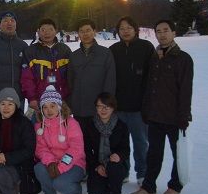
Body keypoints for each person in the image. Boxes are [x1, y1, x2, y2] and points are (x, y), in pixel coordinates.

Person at [130, 19, 194, 194]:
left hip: (174, 116)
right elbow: (149, 86)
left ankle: (175, 185)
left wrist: (184, 115)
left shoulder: (182, 59)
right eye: (158, 31)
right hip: (155, 115)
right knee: (154, 153)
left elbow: (185, 89)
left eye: (166, 30)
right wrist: (146, 108)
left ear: (174, 33)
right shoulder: (155, 58)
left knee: (177, 153)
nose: (162, 34)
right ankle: (149, 186)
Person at [109, 16, 155, 185]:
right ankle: (123, 170)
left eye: (129, 27)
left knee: (140, 142)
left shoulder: (146, 48)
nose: (125, 31)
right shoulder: (114, 49)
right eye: (122, 28)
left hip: (138, 107)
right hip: (119, 107)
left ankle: (142, 173)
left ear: (135, 29)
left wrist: (148, 102)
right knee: (120, 143)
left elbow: (152, 77)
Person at [67, 18, 116, 150]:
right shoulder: (74, 56)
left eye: (88, 30)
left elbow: (110, 80)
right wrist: (71, 103)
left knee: (99, 144)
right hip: (79, 109)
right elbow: (70, 82)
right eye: (81, 31)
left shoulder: (105, 53)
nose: (85, 34)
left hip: (98, 109)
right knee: (81, 144)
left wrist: (106, 104)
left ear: (94, 32)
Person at [34, 85, 85, 194]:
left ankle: (77, 193)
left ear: (59, 106)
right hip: (53, 161)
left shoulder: (71, 123)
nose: (49, 110)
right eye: (45, 107)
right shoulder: (40, 126)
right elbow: (41, 148)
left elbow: (76, 149)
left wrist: (61, 167)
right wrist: (50, 162)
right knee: (39, 168)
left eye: (52, 106)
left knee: (59, 184)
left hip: (74, 163)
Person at [86, 92, 130, 194]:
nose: (103, 110)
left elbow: (126, 149)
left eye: (107, 107)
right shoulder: (90, 126)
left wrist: (119, 155)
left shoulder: (121, 126)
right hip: (98, 164)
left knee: (113, 165)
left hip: (116, 166)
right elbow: (87, 150)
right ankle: (106, 191)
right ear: (96, 107)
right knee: (93, 192)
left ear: (113, 108)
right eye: (100, 106)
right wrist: (96, 166)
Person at [21, 17, 71, 118]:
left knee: (62, 131)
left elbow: (71, 76)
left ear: (55, 31)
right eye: (43, 30)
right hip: (39, 102)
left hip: (61, 101)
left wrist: (68, 97)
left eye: (50, 30)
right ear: (38, 32)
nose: (47, 33)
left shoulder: (64, 50)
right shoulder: (31, 51)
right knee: (39, 130)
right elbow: (26, 78)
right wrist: (32, 98)